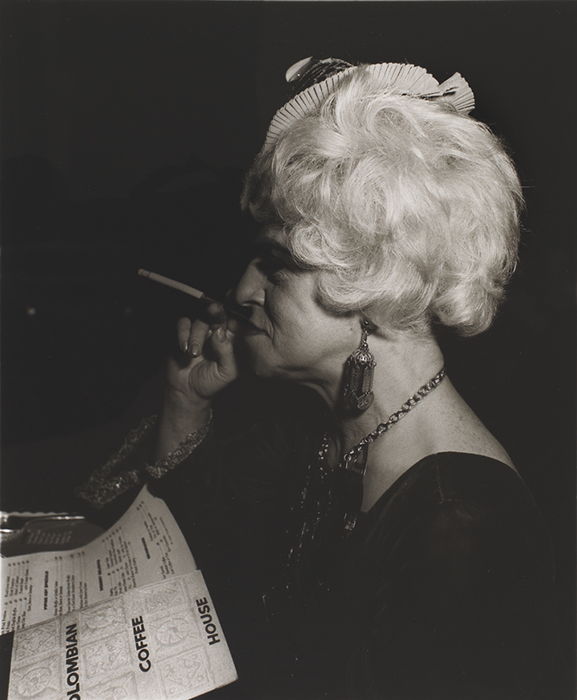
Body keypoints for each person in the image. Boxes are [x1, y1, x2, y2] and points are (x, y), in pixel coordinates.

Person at [74, 58, 559, 699]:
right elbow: (189, 568)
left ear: (372, 282)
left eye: (276, 265)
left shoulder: (462, 530)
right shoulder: (320, 429)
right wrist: (185, 399)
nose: (243, 289)